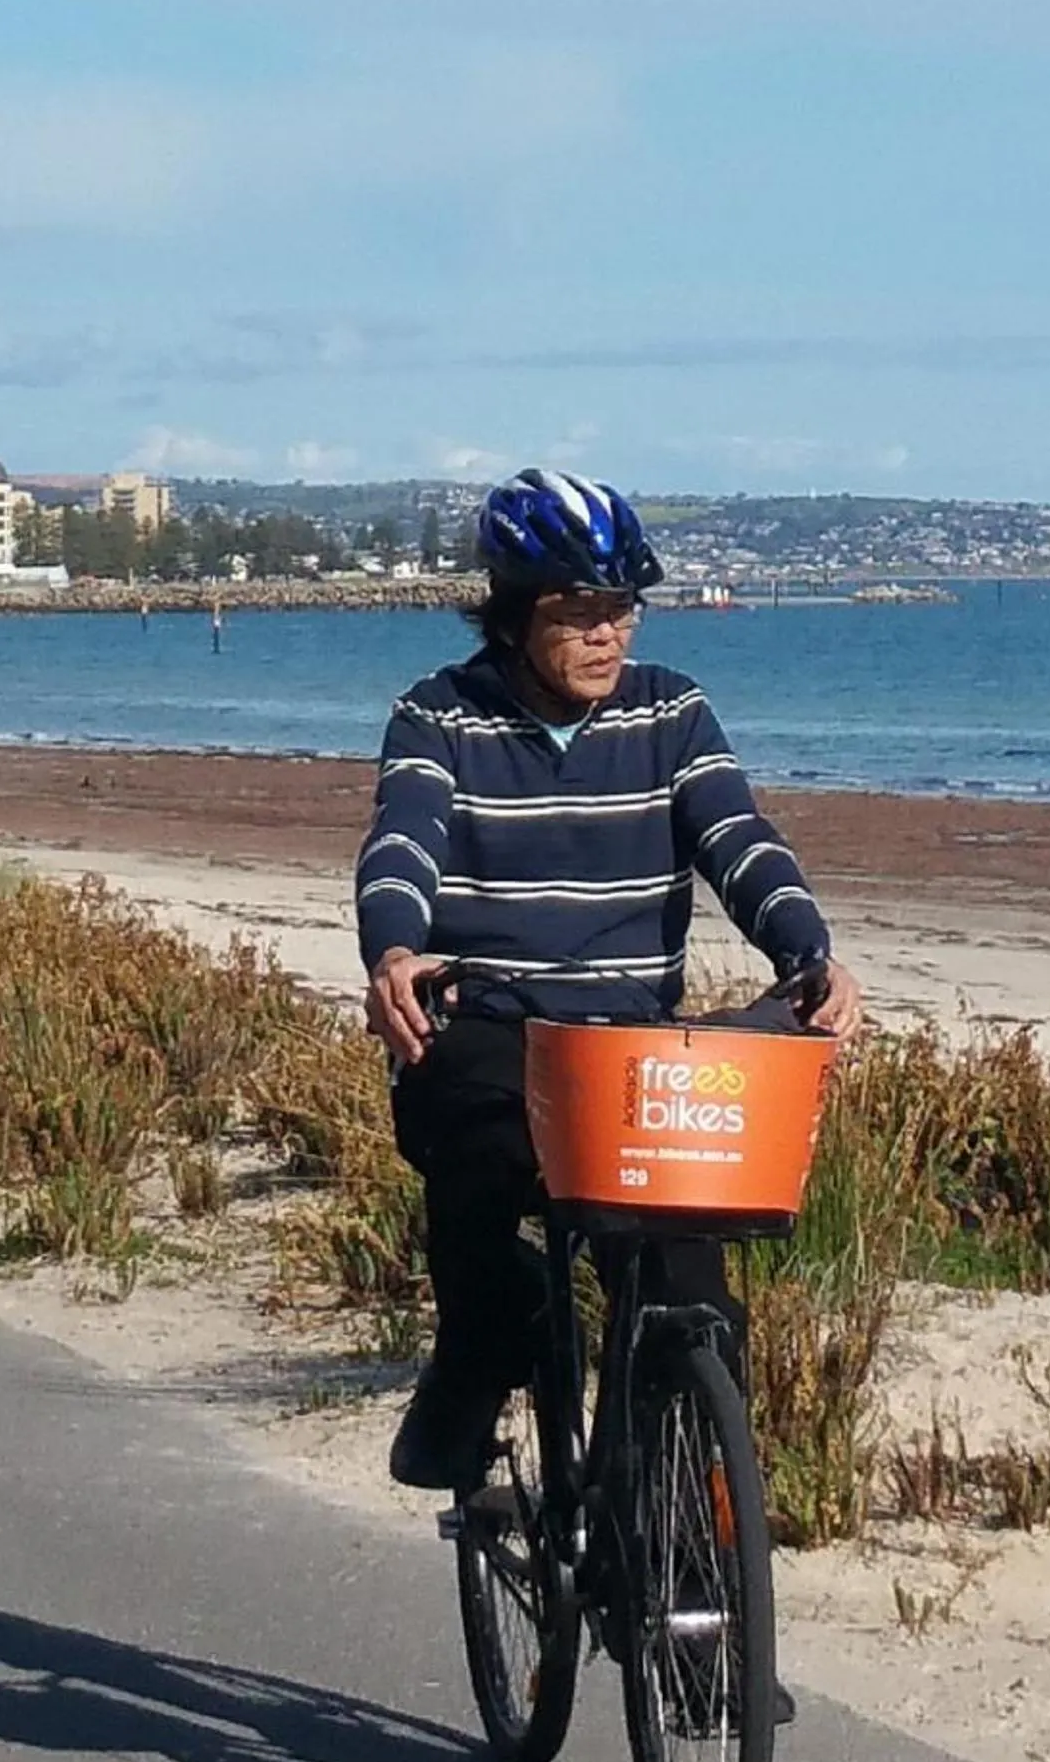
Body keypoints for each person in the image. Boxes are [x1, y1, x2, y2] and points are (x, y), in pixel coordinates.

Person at [358, 467, 864, 1498]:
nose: (606, 635)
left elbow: (738, 840)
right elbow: (401, 844)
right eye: (576, 611)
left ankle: (669, 1532)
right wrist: (395, 951)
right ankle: (475, 1370)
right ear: (512, 612)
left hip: (630, 1050)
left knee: (691, 1289)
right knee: (478, 1203)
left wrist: (806, 953)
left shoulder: (669, 712)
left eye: (620, 609)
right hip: (492, 1025)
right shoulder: (437, 718)